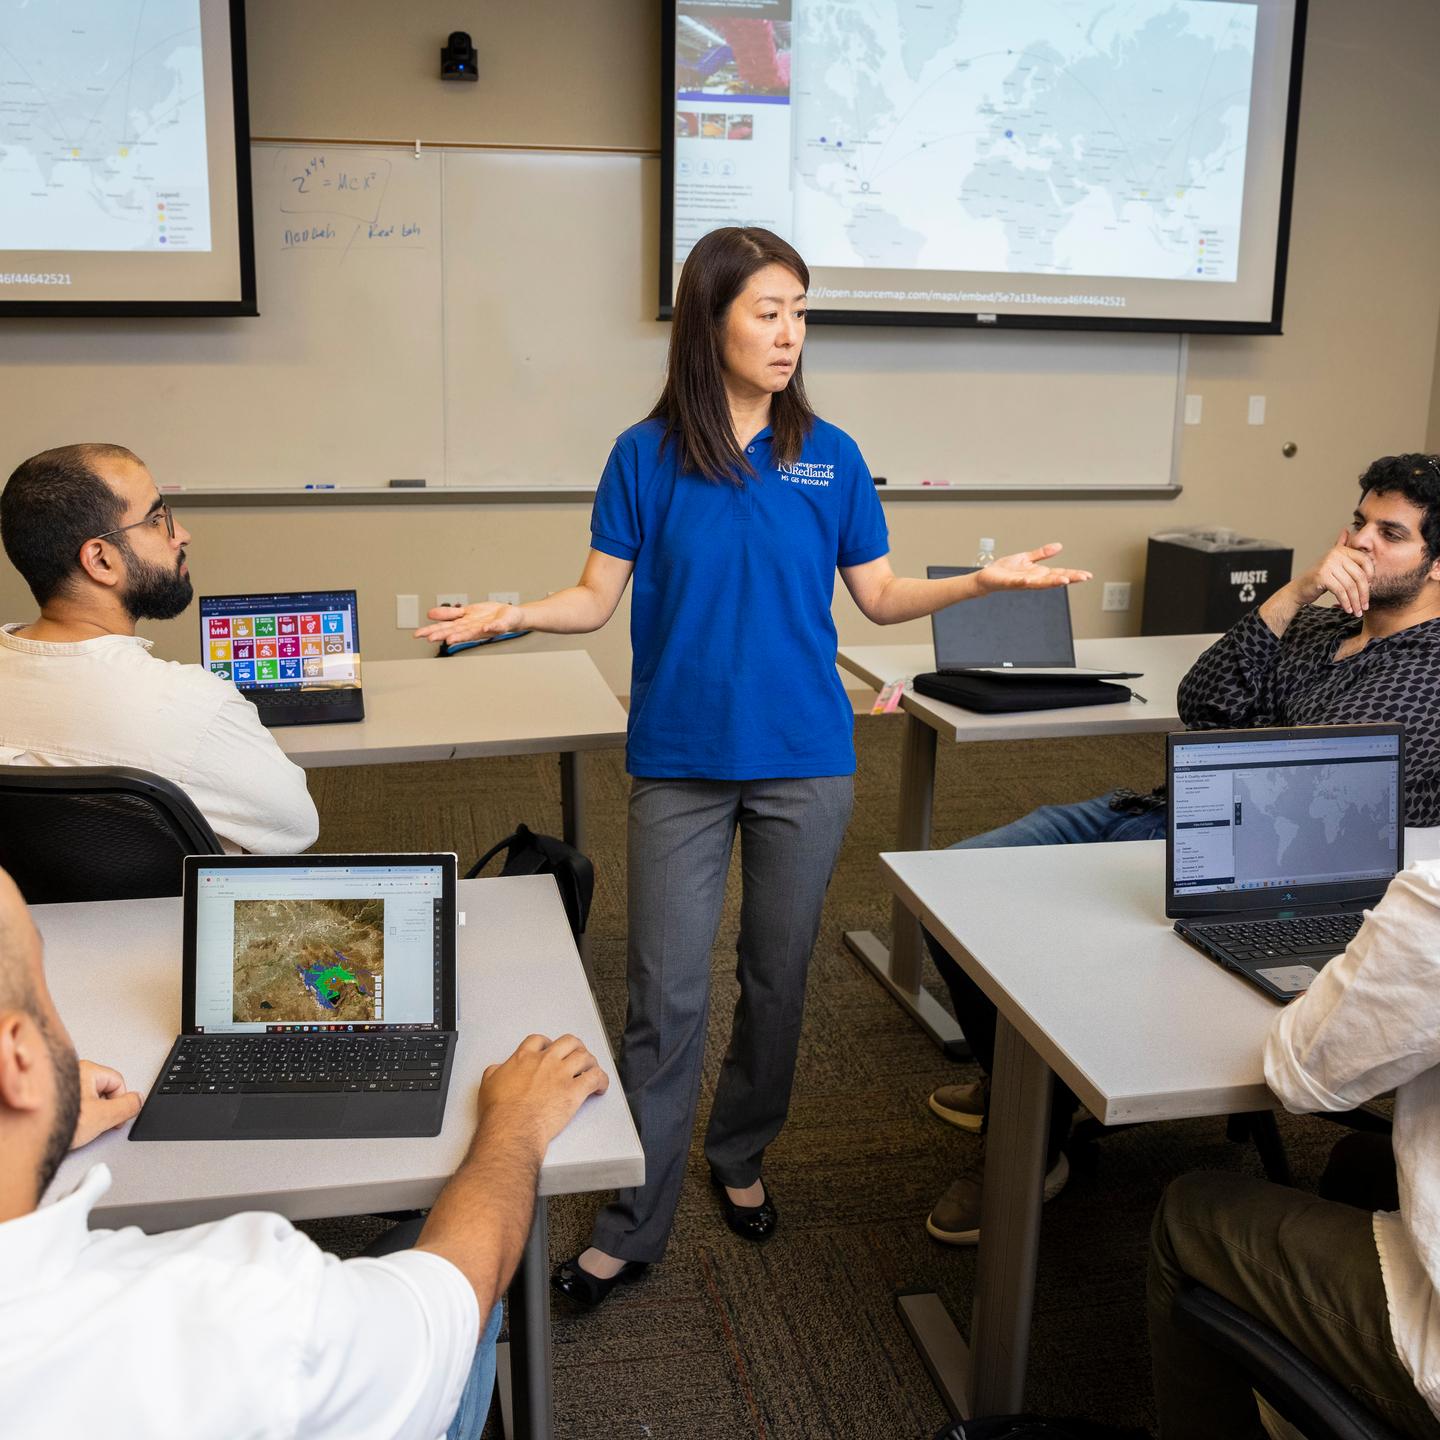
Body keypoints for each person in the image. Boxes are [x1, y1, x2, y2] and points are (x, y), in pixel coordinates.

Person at [415, 225, 1091, 1306]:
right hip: (679, 762)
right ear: (709, 319)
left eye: (801, 311)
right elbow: (596, 597)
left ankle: (740, 1154)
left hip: (806, 761)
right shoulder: (644, 455)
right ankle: (636, 1217)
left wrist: (977, 584)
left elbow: (876, 597)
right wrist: (513, 614)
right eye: (767, 310)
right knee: (664, 996)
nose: (789, 332)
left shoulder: (829, 453)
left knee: (777, 984)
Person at [924, 452, 1440, 1246]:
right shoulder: (1323, 617)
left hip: (1252, 870)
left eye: (1391, 534)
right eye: (1359, 522)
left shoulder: (1427, 673)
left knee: (1038, 944)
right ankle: (1022, 1084)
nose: (1361, 543)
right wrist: (1295, 593)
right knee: (946, 886)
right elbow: (1203, 704)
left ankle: (1031, 1137)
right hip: (1161, 813)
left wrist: (1259, 722)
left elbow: (1302, 778)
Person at [0, 863, 609, 1439]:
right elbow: (452, 1300)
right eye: (41, 984)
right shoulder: (248, 1304)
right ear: (18, 1058)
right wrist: (517, 1124)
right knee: (450, 1250)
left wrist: (27, 1127)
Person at [1148, 857, 1440, 1440]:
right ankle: (1303, 1382)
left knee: (1189, 1217)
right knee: (1359, 1162)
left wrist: (1351, 970)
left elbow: (1298, 1076)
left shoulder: (1432, 901)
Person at [0, 443, 317, 853]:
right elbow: (295, 827)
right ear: (100, 561)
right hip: (173, 917)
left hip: (31, 917)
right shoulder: (192, 705)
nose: (181, 535)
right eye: (156, 520)